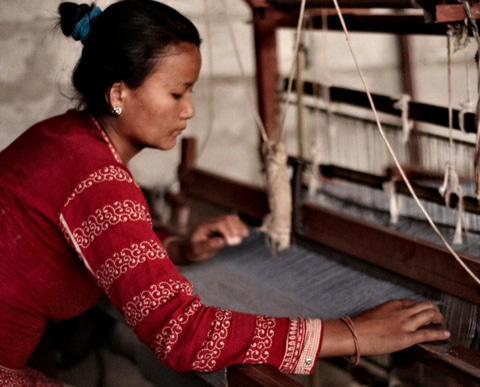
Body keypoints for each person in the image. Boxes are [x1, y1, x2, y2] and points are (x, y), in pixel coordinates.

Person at [0, 0, 450, 385]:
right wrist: (354, 335)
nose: (189, 110)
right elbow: (182, 335)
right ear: (119, 92)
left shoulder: (60, 137)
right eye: (177, 92)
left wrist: (175, 249)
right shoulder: (98, 178)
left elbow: (84, 242)